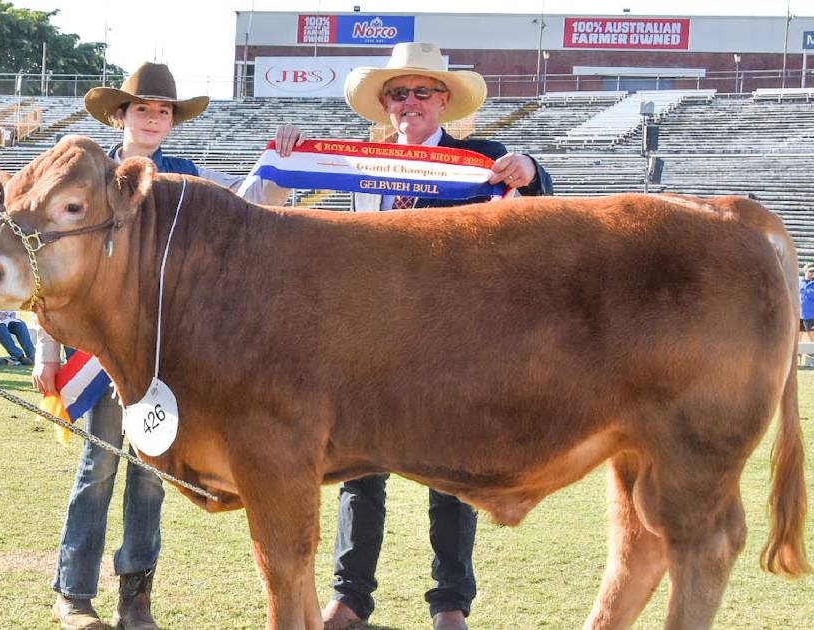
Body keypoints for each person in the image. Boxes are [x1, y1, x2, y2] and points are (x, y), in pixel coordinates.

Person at [270, 42, 552, 630]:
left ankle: (450, 604)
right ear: (385, 107)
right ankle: (350, 599)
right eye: (398, 94)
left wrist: (531, 169)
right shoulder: (354, 161)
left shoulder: (482, 158)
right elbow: (285, 205)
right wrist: (290, 153)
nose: (409, 103)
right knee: (356, 474)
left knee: (452, 472)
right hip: (368, 339)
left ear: (444, 101)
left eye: (422, 91)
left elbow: (537, 208)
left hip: (451, 342)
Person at [39, 62, 288, 630]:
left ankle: (135, 599)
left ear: (171, 122)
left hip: (161, 354)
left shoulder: (185, 175)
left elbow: (235, 221)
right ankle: (74, 595)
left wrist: (277, 166)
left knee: (153, 475)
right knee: (98, 466)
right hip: (101, 349)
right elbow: (49, 260)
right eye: (142, 108)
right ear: (120, 114)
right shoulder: (88, 174)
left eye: (163, 111)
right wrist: (48, 351)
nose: (153, 118)